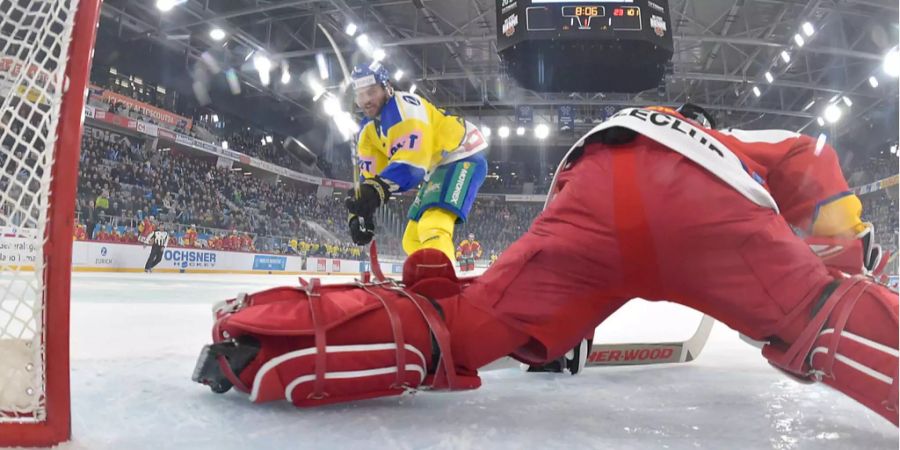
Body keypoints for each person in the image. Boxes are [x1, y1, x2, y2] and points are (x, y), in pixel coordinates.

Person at [194, 105, 898, 426]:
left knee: (457, 327)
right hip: (704, 203)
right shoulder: (728, 137)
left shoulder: (638, 122)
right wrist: (839, 256)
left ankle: (266, 341)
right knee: (824, 319)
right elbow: (810, 160)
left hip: (590, 188)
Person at [344, 63, 489, 261]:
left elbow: (413, 165)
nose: (366, 100)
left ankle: (441, 281)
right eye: (360, 95)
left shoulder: (405, 108)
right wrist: (359, 216)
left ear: (387, 88)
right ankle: (429, 271)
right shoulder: (367, 130)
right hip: (439, 167)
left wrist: (376, 191)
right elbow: (369, 179)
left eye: (371, 92)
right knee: (411, 240)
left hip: (463, 154)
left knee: (433, 225)